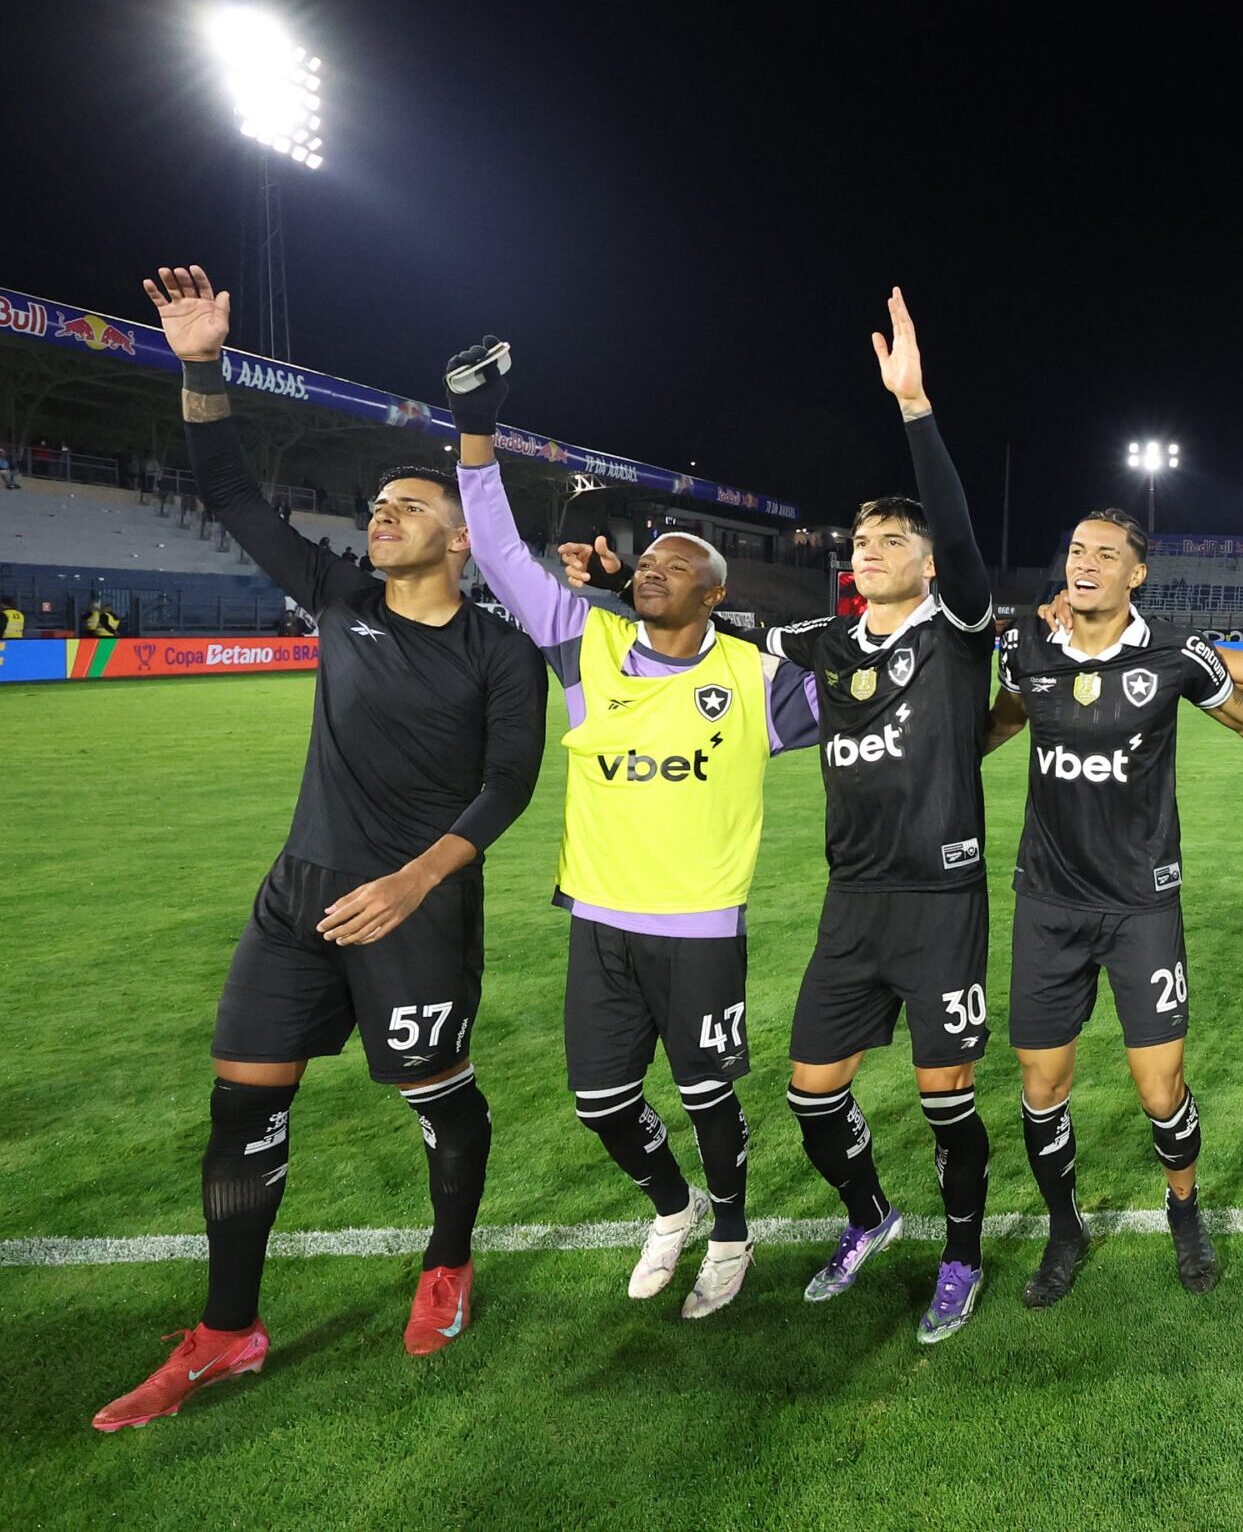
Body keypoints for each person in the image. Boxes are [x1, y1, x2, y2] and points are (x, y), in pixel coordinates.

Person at [95, 267, 547, 1432]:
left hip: (418, 907)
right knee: (241, 1104)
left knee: (438, 1096)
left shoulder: (499, 652)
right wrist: (202, 365)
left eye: (408, 506)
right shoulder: (338, 594)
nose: (380, 515)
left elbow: (508, 785)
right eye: (377, 505)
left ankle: (447, 1261)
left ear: (459, 540)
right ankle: (227, 1329)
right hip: (298, 894)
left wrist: (412, 880)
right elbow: (229, 489)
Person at [453, 336, 820, 1321]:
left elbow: (877, 710)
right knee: (601, 1102)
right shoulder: (587, 643)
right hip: (600, 921)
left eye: (676, 565)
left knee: (708, 1097)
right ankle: (673, 1207)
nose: (653, 571)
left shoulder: (757, 678)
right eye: (646, 561)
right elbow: (497, 551)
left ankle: (732, 1235)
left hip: (700, 926)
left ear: (716, 592)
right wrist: (477, 427)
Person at [657, 289, 999, 1343]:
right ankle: (870, 1216)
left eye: (892, 539)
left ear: (927, 561)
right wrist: (624, 581)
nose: (870, 549)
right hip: (852, 901)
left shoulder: (958, 630)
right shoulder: (826, 641)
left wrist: (915, 408)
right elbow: (709, 632)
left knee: (945, 1094)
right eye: (861, 537)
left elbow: (958, 534)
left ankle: (962, 1255)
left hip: (940, 899)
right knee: (812, 1093)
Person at [984, 509, 1243, 1306]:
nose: (1085, 563)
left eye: (1106, 554)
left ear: (1137, 574)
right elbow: (1003, 721)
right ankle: (1064, 1229)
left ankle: (1183, 1210)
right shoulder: (1028, 646)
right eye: (1076, 550)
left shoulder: (1175, 652)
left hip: (1141, 906)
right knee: (1041, 1086)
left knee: (1161, 1090)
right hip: (1048, 900)